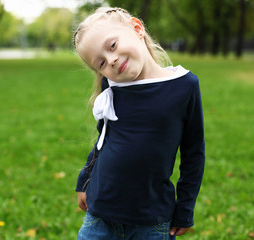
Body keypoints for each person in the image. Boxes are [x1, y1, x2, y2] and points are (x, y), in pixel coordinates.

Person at [73, 7, 205, 240]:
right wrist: (85, 179)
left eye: (112, 45)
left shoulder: (184, 86)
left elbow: (193, 154)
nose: (111, 60)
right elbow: (103, 140)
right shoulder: (112, 87)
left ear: (137, 28)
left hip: (152, 221)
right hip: (101, 215)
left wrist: (185, 208)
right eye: (101, 63)